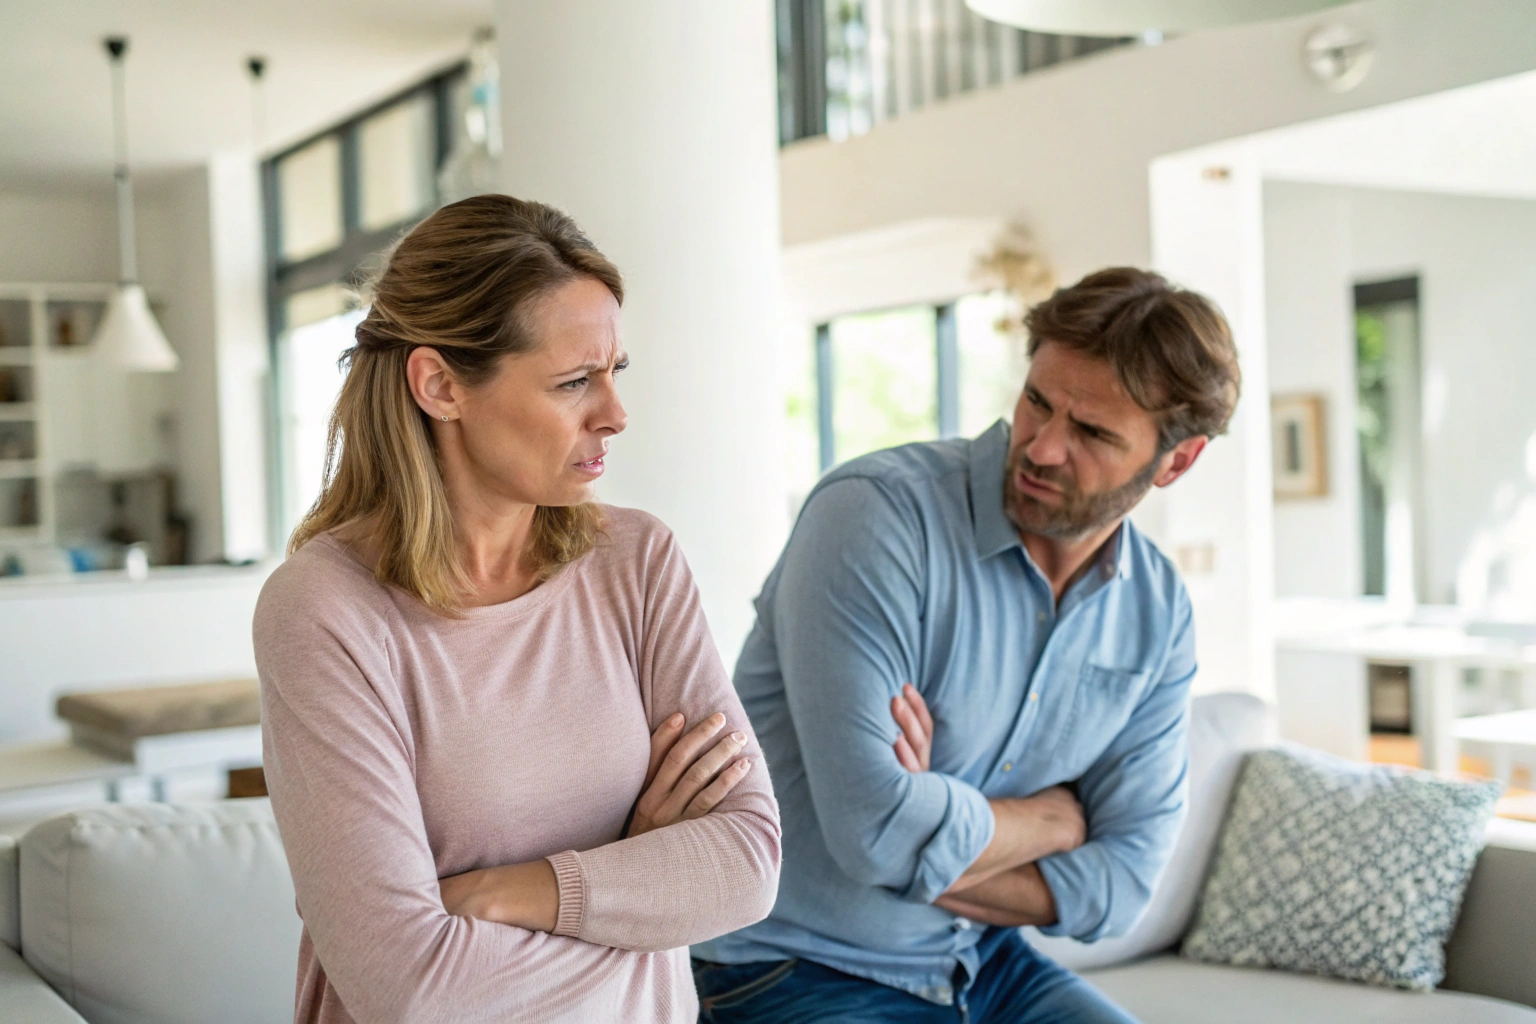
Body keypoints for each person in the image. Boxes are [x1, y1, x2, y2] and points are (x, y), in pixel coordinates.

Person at [255, 195, 780, 1024]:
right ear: (439, 385)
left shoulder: (637, 563)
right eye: (574, 381)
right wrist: (635, 871)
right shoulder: (327, 610)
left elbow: (746, 864)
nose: (614, 413)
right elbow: (412, 989)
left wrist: (509, 893)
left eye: (615, 373)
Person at [692, 268, 1241, 1023]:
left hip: (980, 957)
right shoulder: (874, 520)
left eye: (1091, 433)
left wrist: (927, 821)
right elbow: (875, 834)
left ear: (1177, 461)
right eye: (1037, 403)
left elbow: (1122, 886)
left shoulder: (1157, 612)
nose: (1043, 449)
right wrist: (1052, 822)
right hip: (790, 962)